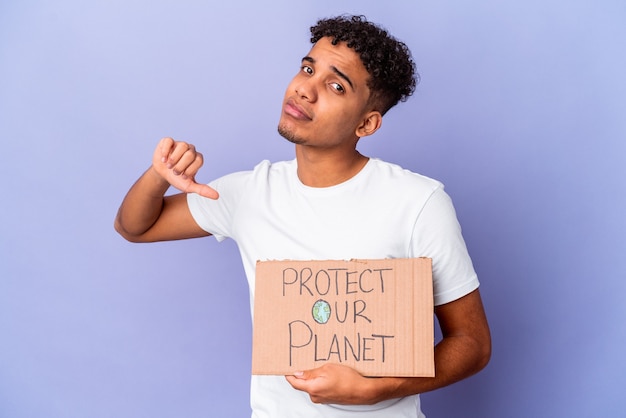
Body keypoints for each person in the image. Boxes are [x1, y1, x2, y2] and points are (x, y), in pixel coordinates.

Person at [115, 14, 491, 418]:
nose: (305, 89)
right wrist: (159, 175)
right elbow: (135, 227)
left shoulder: (418, 201)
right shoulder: (249, 193)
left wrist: (379, 388)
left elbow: (472, 342)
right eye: (308, 68)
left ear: (367, 123)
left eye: (335, 85)